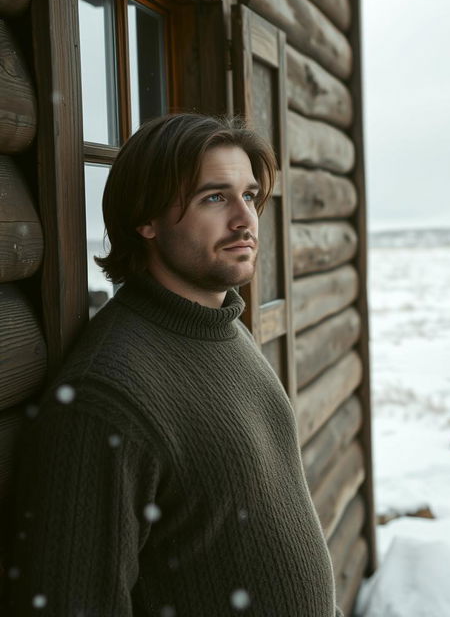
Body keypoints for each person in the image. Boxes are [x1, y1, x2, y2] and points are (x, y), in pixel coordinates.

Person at [5, 114, 343, 616]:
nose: (245, 219)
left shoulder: (223, 325)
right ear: (147, 218)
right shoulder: (107, 395)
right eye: (214, 197)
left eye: (249, 196)